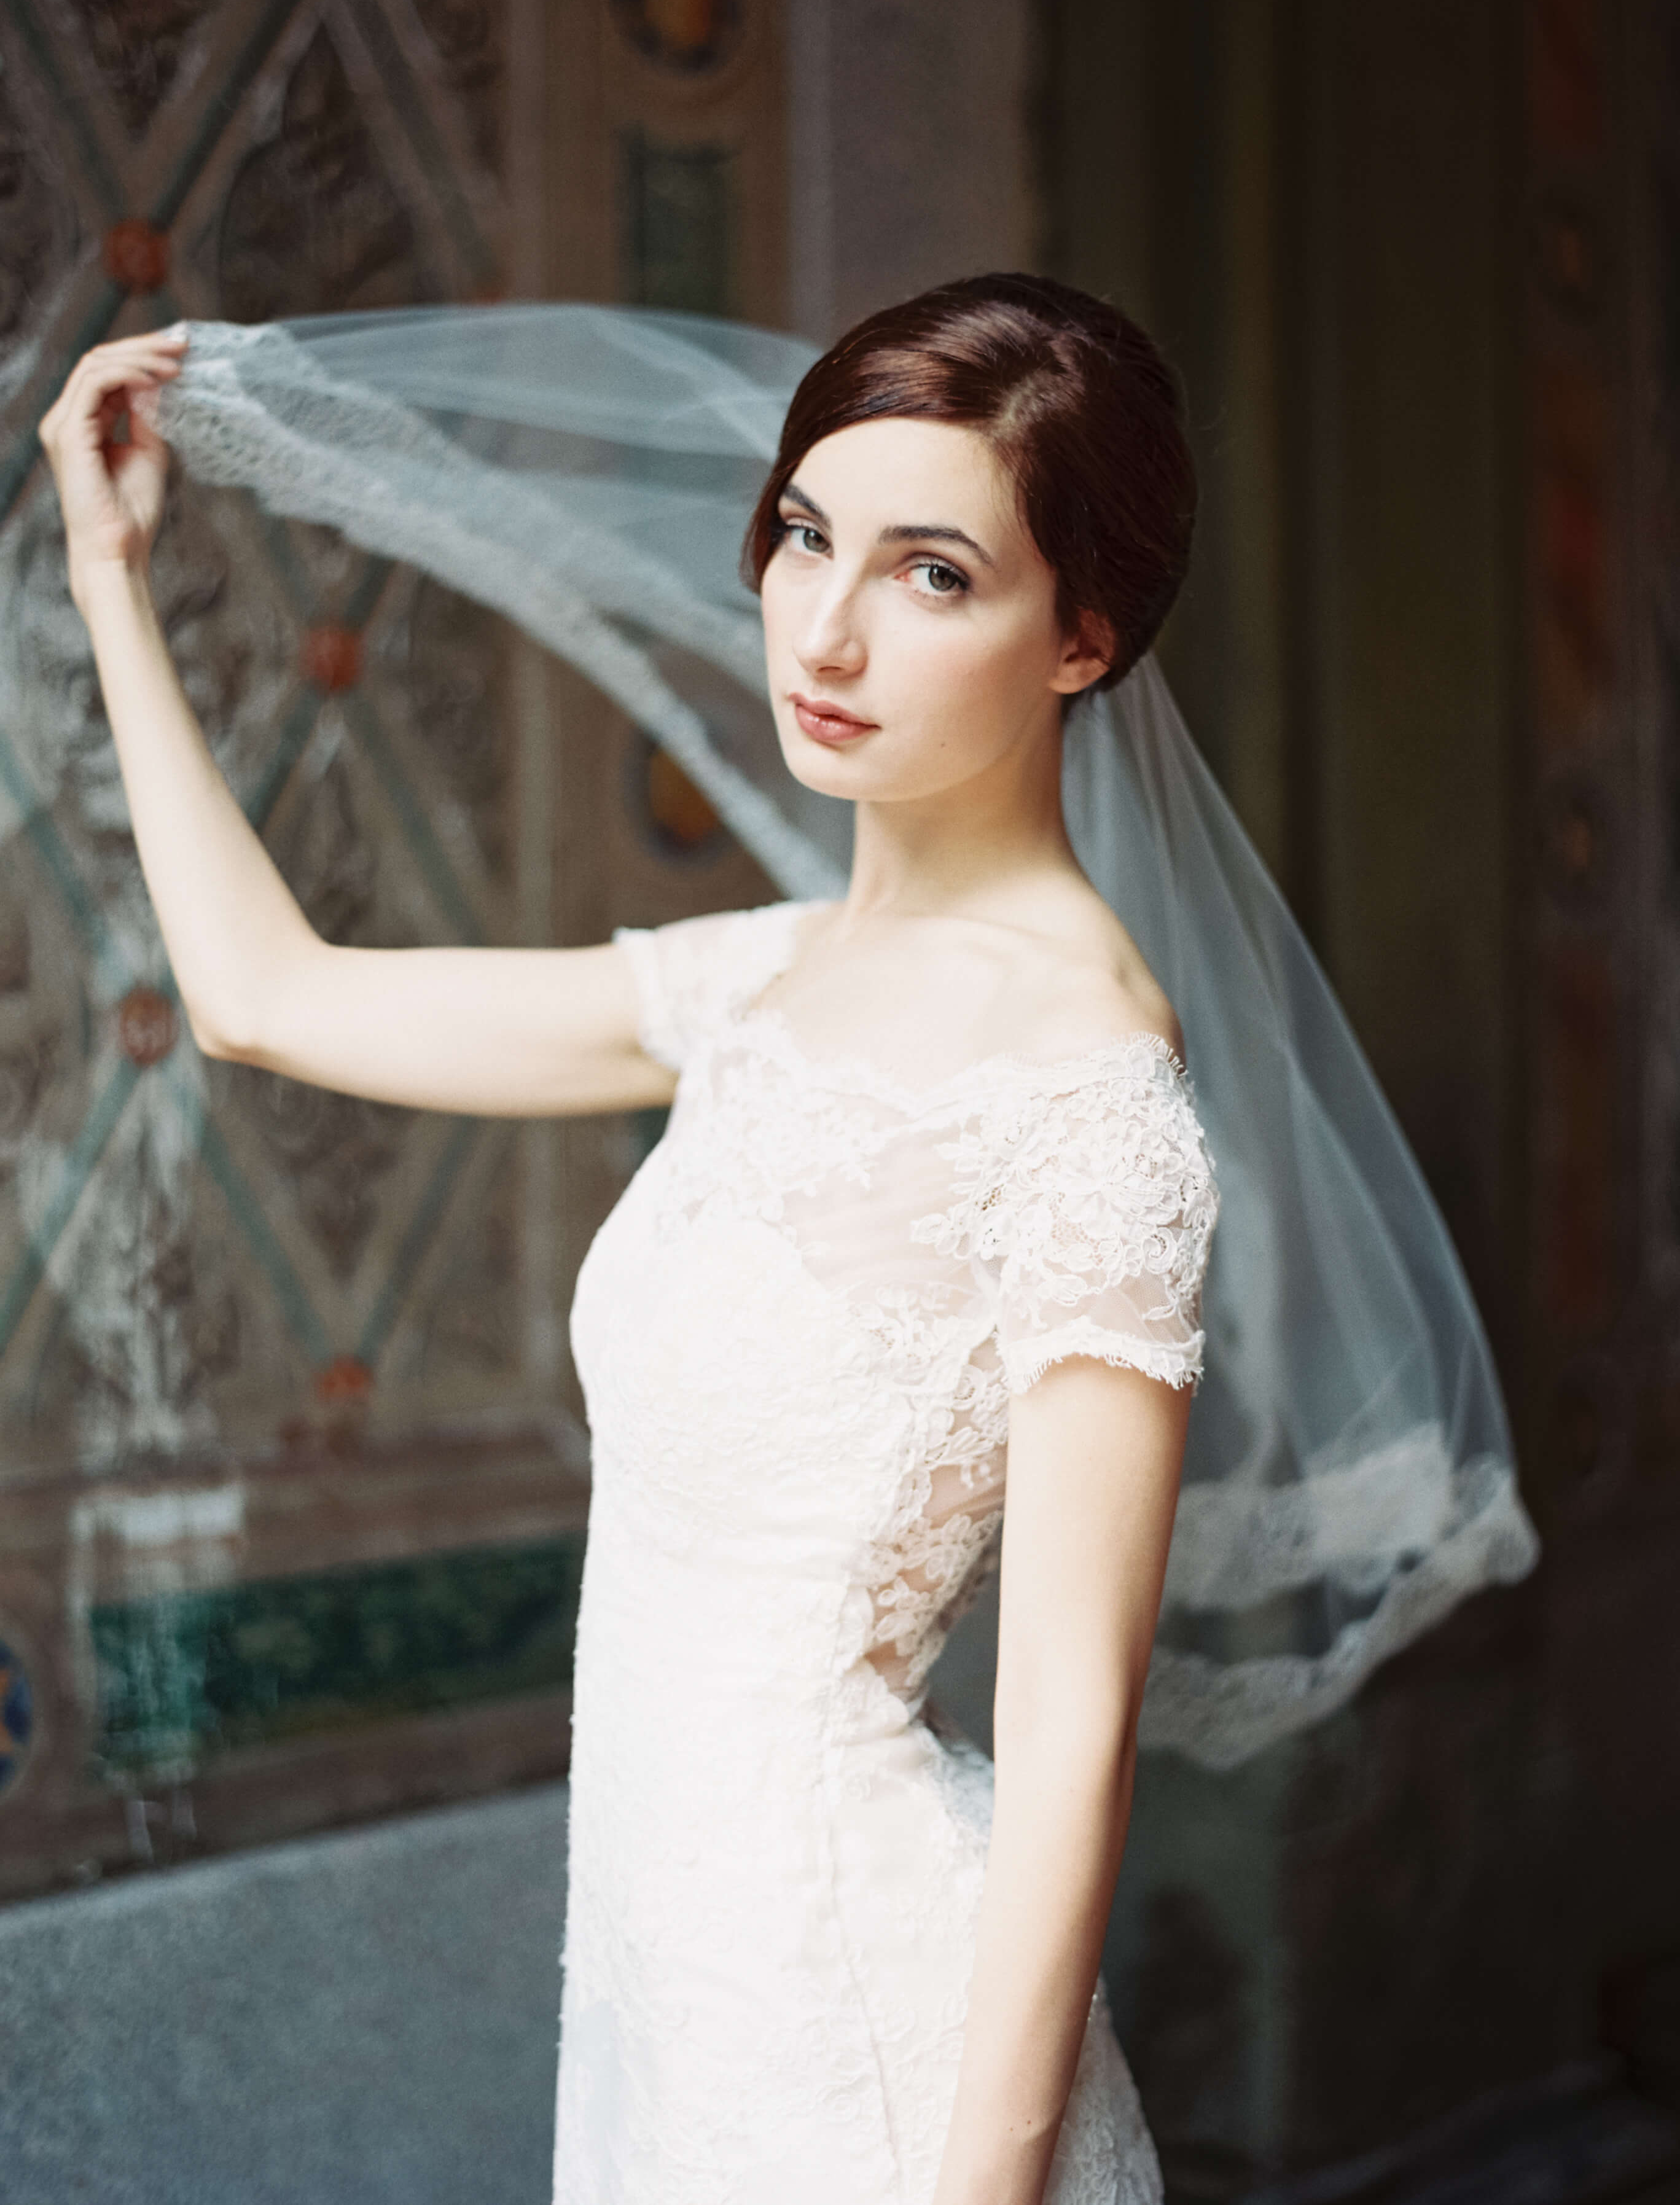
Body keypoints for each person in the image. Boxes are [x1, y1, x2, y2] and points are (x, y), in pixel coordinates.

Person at [42, 276, 1246, 2205]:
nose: (829, 627)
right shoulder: (765, 981)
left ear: (1082, 635)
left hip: (871, 2039)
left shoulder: (1085, 1093)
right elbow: (271, 994)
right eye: (806, 536)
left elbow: (1073, 1731)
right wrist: (109, 574)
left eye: (935, 575)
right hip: (667, 2004)